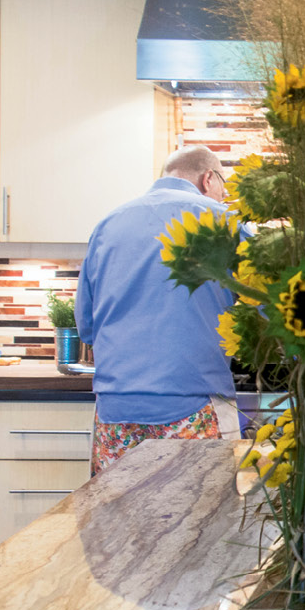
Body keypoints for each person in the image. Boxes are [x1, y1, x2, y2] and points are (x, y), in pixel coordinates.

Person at [77, 145, 239, 476]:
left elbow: (87, 326)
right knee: (200, 521)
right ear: (208, 178)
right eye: (224, 185)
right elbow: (264, 310)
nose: (223, 195)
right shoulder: (224, 221)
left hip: (116, 410)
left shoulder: (109, 224)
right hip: (196, 405)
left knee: (116, 519)